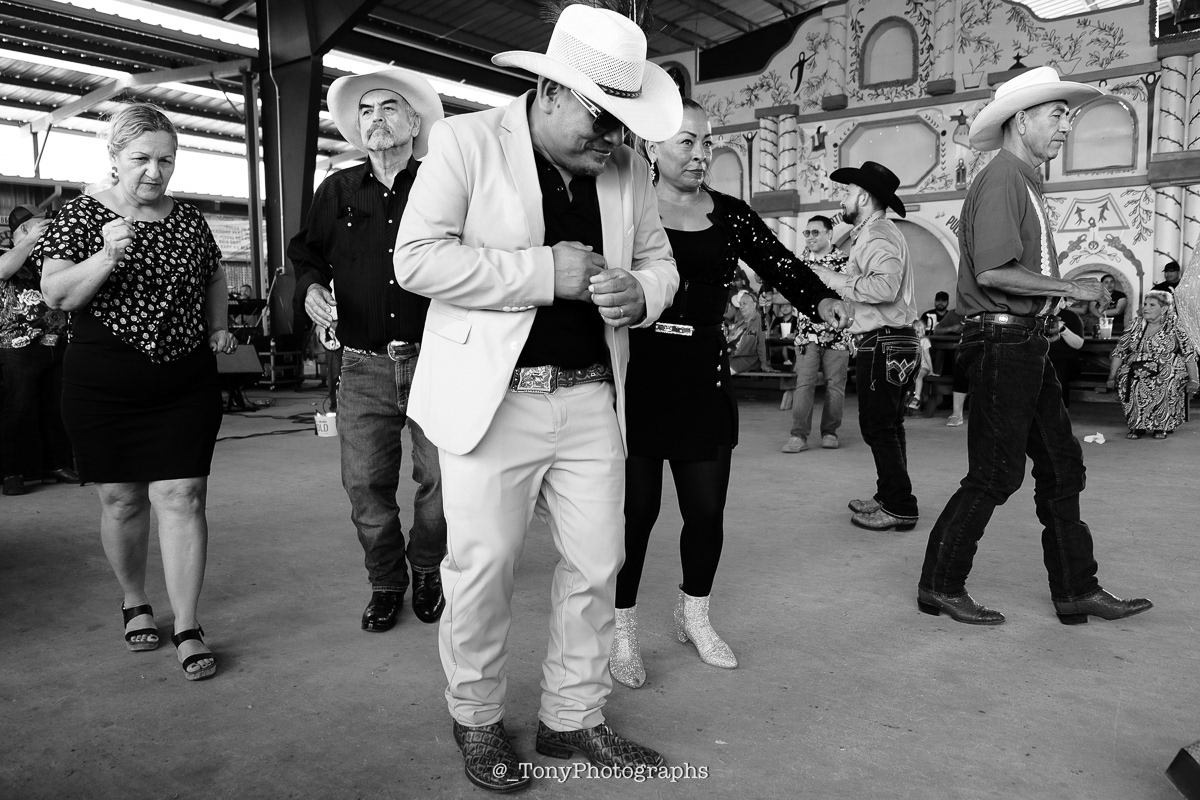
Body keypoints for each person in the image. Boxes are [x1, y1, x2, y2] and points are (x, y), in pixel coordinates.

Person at [392, 5, 681, 791]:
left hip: (593, 397)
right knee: (481, 569)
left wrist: (640, 291)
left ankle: (570, 719)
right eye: (602, 118)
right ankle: (478, 720)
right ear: (550, 90)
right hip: (495, 402)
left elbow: (661, 262)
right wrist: (536, 274)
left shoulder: (627, 169)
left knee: (597, 566)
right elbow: (415, 261)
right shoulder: (463, 143)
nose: (613, 140)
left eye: (625, 125)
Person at [612, 99, 846, 689]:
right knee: (633, 516)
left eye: (706, 143)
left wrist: (819, 298)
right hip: (637, 377)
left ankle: (694, 613)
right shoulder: (626, 209)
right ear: (652, 148)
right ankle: (621, 628)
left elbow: (781, 262)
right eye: (685, 142)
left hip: (703, 378)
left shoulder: (731, 215)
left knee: (707, 512)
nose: (699, 154)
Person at [917, 67, 1151, 626]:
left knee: (1062, 468)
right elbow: (997, 271)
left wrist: (1055, 301)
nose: (1066, 126)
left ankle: (1076, 590)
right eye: (1057, 114)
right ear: (1023, 120)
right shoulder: (1002, 177)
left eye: (1068, 115)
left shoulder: (1022, 179)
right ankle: (939, 585)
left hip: (1023, 340)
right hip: (1002, 341)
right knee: (996, 472)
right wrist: (1071, 288)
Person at [39, 103, 235, 679]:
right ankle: (134, 600)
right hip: (104, 383)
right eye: (141, 158)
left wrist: (219, 323)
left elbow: (216, 272)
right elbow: (56, 295)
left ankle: (188, 624)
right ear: (115, 158)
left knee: (183, 495)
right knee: (122, 499)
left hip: (183, 379)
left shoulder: (189, 219)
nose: (155, 171)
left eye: (166, 160)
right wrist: (107, 254)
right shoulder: (80, 217)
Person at [289, 68, 448, 633]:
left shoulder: (441, 184)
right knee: (364, 485)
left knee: (443, 482)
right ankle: (386, 582)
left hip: (438, 362)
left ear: (413, 122)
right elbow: (305, 254)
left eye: (388, 108)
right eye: (365, 111)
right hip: (361, 365)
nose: (375, 119)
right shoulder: (336, 191)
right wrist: (308, 288)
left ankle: (428, 568)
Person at [808, 161, 920, 532]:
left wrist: (833, 278)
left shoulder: (877, 235)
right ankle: (890, 495)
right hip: (893, 342)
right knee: (888, 425)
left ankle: (900, 505)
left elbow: (885, 289)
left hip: (886, 342)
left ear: (864, 196)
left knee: (878, 427)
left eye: (846, 191)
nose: (842, 197)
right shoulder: (874, 234)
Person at [1, 204, 77, 496]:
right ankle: (12, 472)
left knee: (55, 406)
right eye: (42, 223)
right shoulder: (8, 254)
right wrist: (31, 239)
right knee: (17, 408)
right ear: (23, 228)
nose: (50, 226)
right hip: (17, 345)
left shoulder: (48, 256)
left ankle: (56, 464)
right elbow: (2, 270)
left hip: (54, 342)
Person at [783, 214, 851, 453]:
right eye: (806, 233)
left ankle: (830, 432)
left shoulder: (846, 263)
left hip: (838, 336)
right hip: (806, 336)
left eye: (815, 232)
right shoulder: (798, 262)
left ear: (829, 234)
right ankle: (798, 435)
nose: (810, 237)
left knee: (835, 387)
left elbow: (851, 295)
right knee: (804, 385)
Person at [1107, 290, 1198, 439]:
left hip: (1167, 364)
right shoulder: (1135, 323)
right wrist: (1111, 376)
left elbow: (1189, 353)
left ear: (1163, 309)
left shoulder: (1175, 324)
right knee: (1126, 376)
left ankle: (1161, 425)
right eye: (1145, 304)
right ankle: (1137, 425)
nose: (1146, 308)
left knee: (1165, 376)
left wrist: (1194, 379)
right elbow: (1119, 351)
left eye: (1151, 305)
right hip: (1137, 365)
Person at [727, 288, 772, 374]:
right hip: (731, 358)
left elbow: (763, 344)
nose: (741, 307)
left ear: (754, 305)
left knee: (719, 373)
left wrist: (765, 364)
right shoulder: (740, 323)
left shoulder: (761, 321)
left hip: (746, 360)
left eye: (744, 304)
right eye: (740, 304)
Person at [1047, 306, 1085, 408]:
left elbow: (1078, 344)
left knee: (1057, 370)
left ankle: (1061, 411)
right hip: (1042, 356)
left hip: (1066, 359)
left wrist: (1062, 329)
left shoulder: (1070, 316)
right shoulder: (1035, 316)